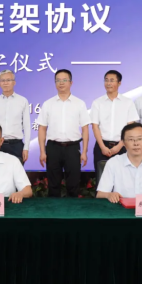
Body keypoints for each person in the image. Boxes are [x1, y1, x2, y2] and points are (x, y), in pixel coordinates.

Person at [37, 69, 90, 197]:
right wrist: (42, 151)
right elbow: (42, 128)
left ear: (71, 82)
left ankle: (72, 209)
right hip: (53, 148)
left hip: (72, 148)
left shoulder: (79, 104)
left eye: (64, 80)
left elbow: (85, 129)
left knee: (73, 184)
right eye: (58, 80)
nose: (61, 83)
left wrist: (84, 152)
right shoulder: (48, 104)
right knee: (53, 184)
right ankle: (53, 209)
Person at [90, 70, 139, 181]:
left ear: (119, 83)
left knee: (122, 181)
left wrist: (119, 146)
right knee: (102, 181)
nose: (108, 83)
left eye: (112, 80)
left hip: (122, 147)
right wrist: (102, 147)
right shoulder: (97, 102)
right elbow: (95, 126)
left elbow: (130, 128)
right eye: (106, 80)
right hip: (102, 146)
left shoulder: (127, 102)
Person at [0, 69, 31, 165]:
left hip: (16, 145)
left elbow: (27, 126)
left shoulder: (23, 101)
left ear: (14, 82)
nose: (5, 83)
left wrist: (26, 148)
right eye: (3, 80)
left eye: (8, 80)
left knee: (16, 174)